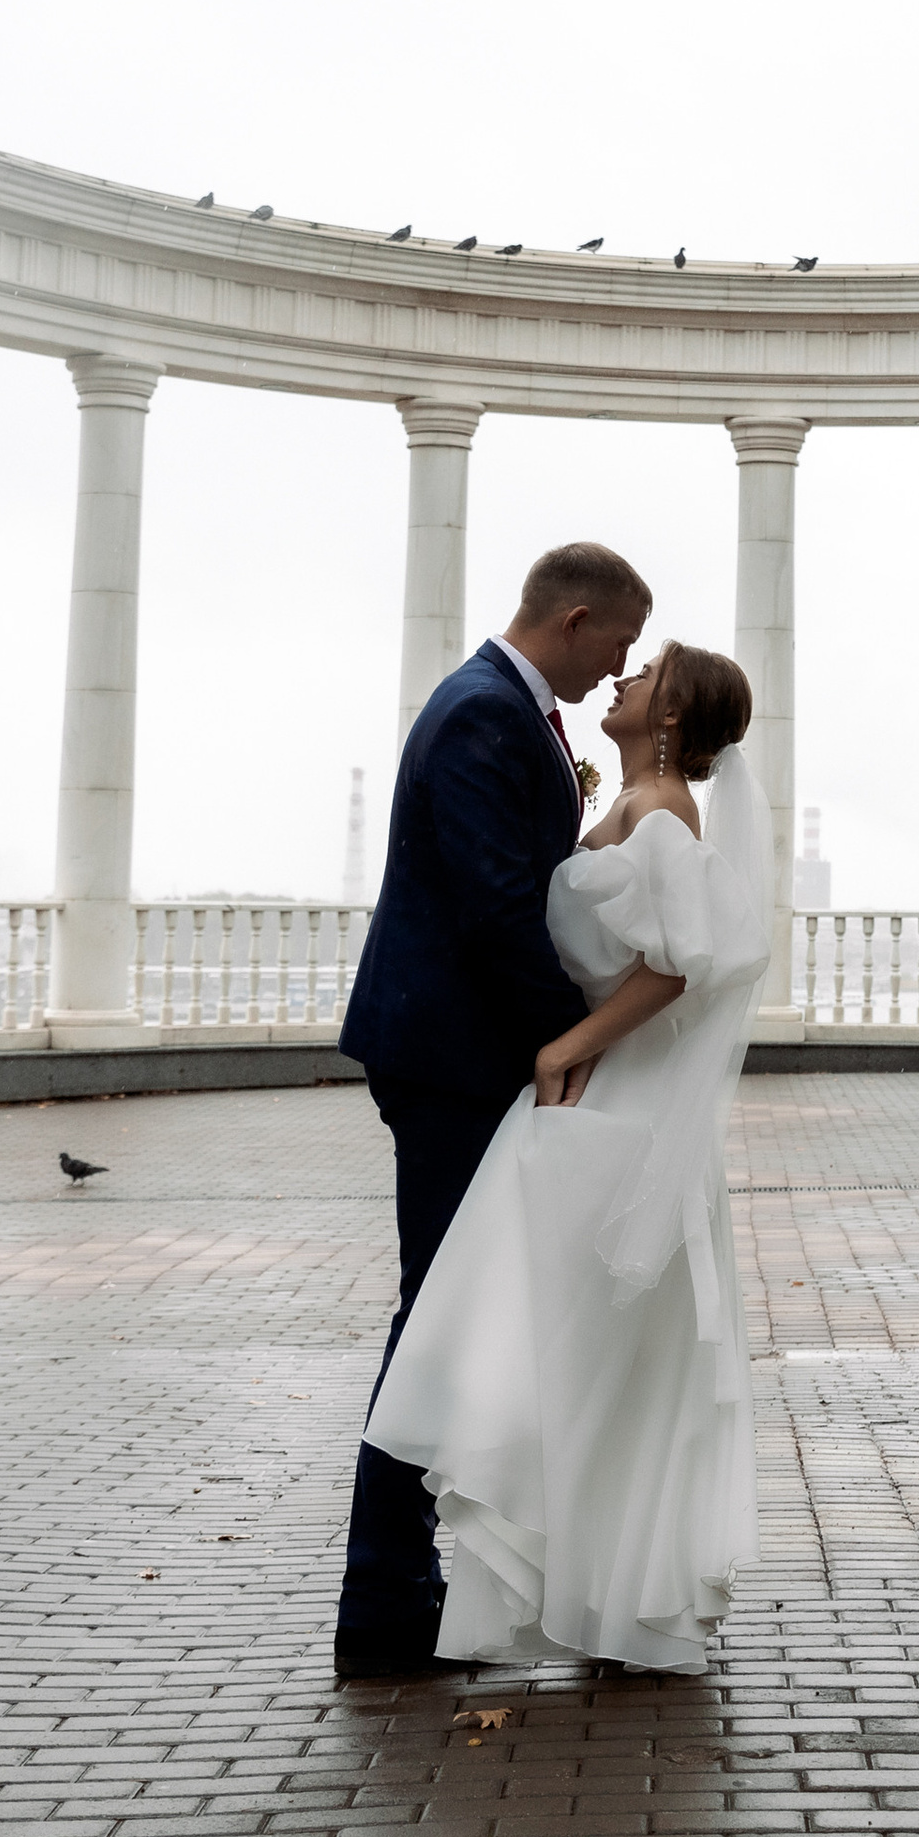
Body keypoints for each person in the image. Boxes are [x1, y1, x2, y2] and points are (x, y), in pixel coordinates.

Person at [364, 639, 768, 1674]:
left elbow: (681, 963)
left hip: (613, 1100)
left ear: (671, 715)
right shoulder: (638, 800)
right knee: (586, 1357)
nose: (625, 681)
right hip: (599, 1097)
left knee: (592, 1355)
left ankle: (610, 1594)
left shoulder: (662, 807)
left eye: (647, 675)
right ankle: (601, 1595)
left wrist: (567, 1043)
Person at [332, 540, 652, 1680]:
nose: (620, 667)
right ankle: (380, 1599)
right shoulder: (481, 711)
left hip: (458, 1051)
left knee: (447, 1312)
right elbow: (494, 906)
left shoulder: (502, 708)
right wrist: (566, 1040)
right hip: (454, 1056)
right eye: (616, 642)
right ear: (573, 619)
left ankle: (399, 1590)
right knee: (437, 1318)